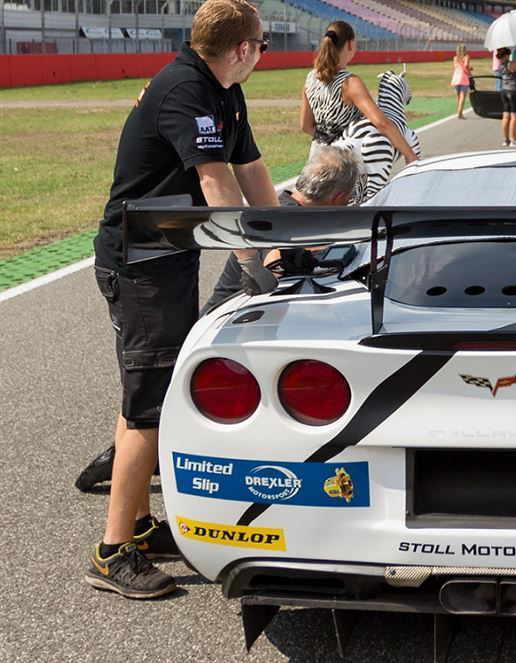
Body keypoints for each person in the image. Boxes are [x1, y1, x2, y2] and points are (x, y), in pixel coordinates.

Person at [88, 0, 278, 599]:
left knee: (146, 391)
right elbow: (215, 182)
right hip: (140, 262)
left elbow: (252, 170)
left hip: (166, 252)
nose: (262, 54)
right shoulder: (185, 89)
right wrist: (253, 260)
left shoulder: (224, 91)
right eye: (263, 45)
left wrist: (287, 243)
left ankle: (141, 527)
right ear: (243, 49)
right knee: (150, 402)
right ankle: (112, 552)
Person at [201, 146, 361, 312]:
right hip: (228, 315)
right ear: (339, 198)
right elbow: (273, 262)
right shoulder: (293, 223)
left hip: (240, 311)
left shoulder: (278, 205)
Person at [301, 21, 418, 165]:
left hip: (316, 157)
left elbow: (305, 125)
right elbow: (382, 123)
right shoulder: (350, 83)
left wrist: (326, 139)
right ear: (350, 44)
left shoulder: (310, 79)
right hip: (343, 162)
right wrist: (411, 155)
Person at [496, 46, 516, 147]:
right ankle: (514, 140)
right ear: (506, 55)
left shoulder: (500, 65)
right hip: (514, 91)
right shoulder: (512, 63)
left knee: (505, 117)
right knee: (514, 117)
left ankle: (506, 140)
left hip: (504, 91)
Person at [451, 43, 471, 119]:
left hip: (456, 78)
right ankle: (460, 113)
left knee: (458, 96)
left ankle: (459, 112)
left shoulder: (455, 58)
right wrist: (469, 73)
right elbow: (465, 65)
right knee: (462, 96)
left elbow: (455, 67)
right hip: (464, 78)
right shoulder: (467, 57)